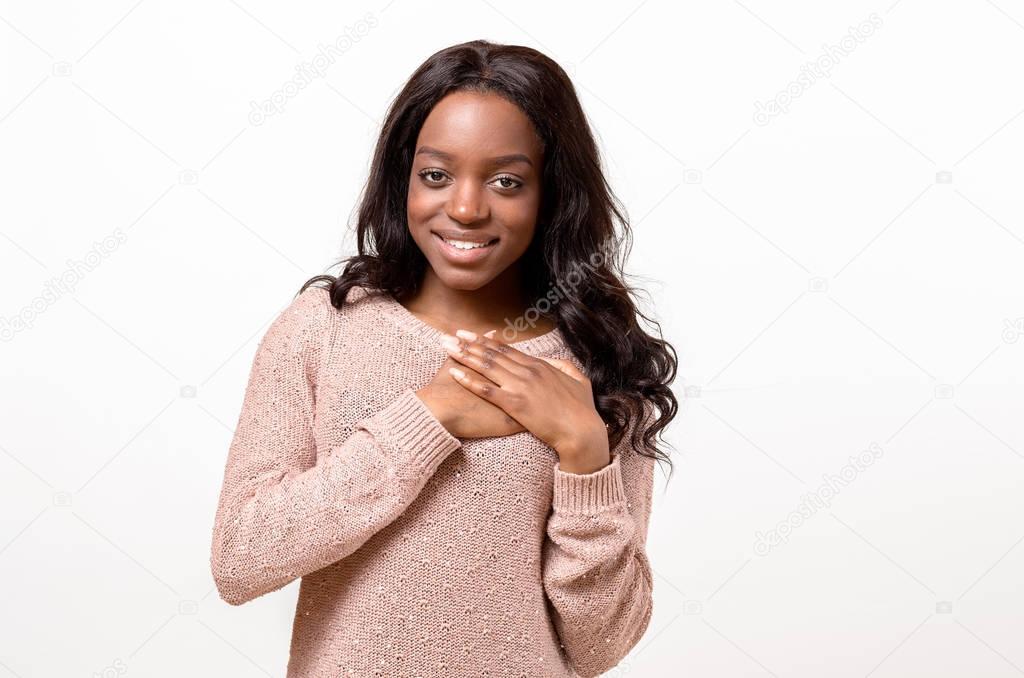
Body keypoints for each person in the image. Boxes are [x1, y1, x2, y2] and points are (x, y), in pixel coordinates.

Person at [209, 38, 678, 678]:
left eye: (507, 181)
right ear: (404, 175)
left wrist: (584, 454)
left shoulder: (596, 362)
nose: (464, 207)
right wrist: (426, 422)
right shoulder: (326, 327)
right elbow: (242, 557)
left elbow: (600, 647)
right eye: (436, 175)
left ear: (552, 193)